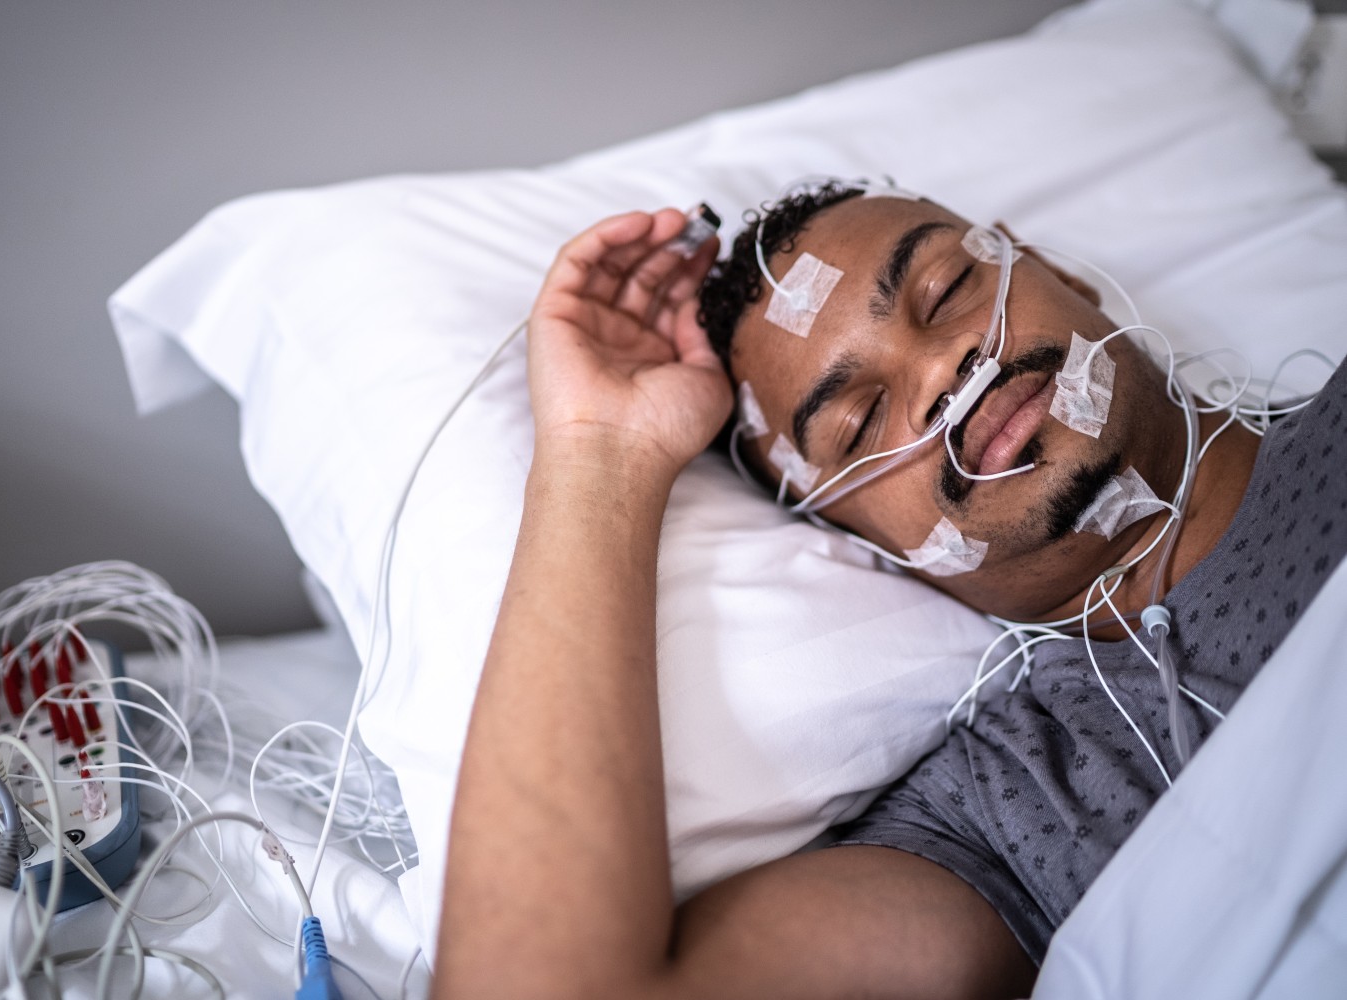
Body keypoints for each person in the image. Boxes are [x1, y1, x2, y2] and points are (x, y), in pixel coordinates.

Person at [430, 184, 1347, 1000]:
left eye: (947, 293)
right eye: (857, 420)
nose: (945, 373)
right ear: (861, 539)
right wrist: (602, 453)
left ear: (1061, 272)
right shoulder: (1006, 817)